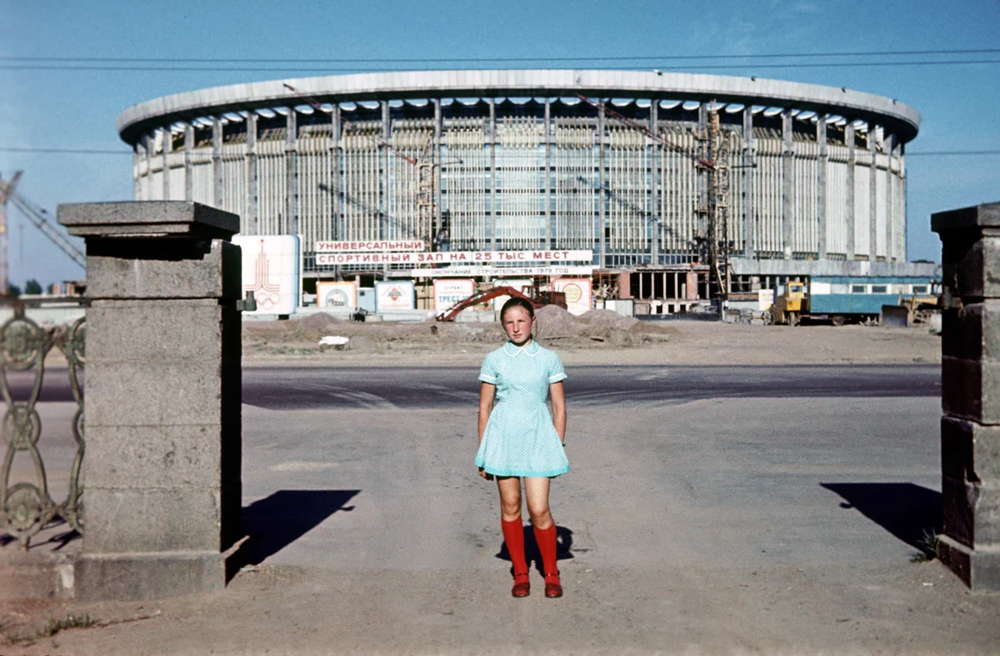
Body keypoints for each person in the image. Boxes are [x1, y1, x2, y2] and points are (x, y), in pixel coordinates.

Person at [476, 297, 569, 598]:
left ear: (532, 322)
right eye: (509, 322)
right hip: (503, 439)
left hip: (539, 440)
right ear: (503, 325)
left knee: (539, 508)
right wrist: (483, 451)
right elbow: (484, 406)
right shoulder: (494, 359)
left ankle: (551, 572)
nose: (516, 328)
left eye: (521, 321)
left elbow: (558, 406)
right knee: (511, 506)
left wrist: (557, 444)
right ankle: (520, 573)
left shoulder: (549, 358)